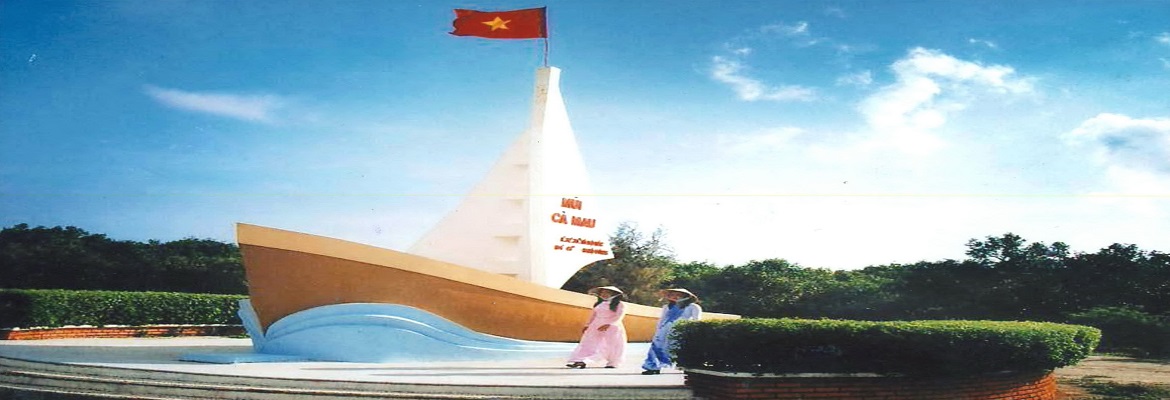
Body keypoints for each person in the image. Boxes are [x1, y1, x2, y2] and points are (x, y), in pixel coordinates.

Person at [641, 288, 702, 375]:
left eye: (678, 295)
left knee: (680, 349)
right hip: (664, 331)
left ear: (686, 296)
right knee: (656, 348)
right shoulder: (667, 307)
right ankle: (652, 367)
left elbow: (696, 320)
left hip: (680, 330)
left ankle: (687, 367)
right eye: (673, 295)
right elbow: (662, 319)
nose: (675, 297)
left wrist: (692, 331)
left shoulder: (693, 307)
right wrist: (658, 331)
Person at [565, 286, 628, 369]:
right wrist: (587, 325)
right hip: (595, 326)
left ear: (614, 294)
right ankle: (581, 360)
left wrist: (609, 324)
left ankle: (613, 363)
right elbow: (593, 315)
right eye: (602, 292)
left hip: (611, 328)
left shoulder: (620, 304)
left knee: (611, 346)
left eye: (607, 292)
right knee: (589, 343)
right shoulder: (599, 304)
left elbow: (619, 316)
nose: (604, 294)